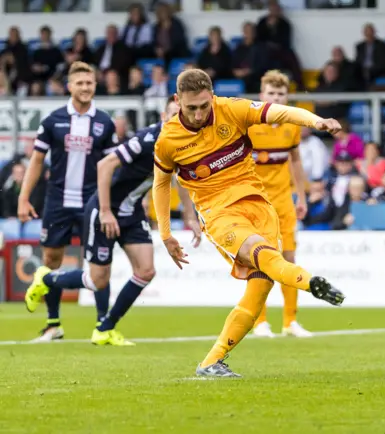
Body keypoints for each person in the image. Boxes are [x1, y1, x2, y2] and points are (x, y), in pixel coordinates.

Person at [152, 69, 345, 377]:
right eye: (192, 108)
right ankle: (310, 282)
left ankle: (210, 362)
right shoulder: (168, 140)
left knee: (259, 287)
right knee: (262, 254)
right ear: (177, 101)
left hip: (260, 207)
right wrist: (165, 234)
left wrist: (316, 122)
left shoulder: (231, 109)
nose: (200, 113)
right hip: (220, 214)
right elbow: (161, 185)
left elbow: (278, 111)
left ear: (212, 96)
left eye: (205, 105)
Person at [23, 97, 201, 345]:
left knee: (146, 271)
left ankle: (105, 328)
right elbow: (105, 165)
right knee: (98, 280)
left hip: (131, 212)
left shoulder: (185, 144)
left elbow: (181, 178)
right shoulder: (148, 139)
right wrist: (105, 211)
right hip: (105, 208)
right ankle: (46, 278)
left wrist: (190, 216)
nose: (177, 119)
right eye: (172, 114)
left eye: (180, 115)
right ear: (163, 117)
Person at [19, 62, 117, 342]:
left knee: (99, 260)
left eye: (90, 83)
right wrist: (24, 198)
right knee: (51, 260)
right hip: (58, 201)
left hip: (93, 201)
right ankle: (53, 325)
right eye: (80, 83)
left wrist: (112, 203)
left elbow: (113, 166)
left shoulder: (105, 122)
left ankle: (103, 325)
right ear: (69, 86)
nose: (85, 88)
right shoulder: (53, 120)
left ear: (95, 86)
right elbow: (36, 161)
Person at [248, 71, 312, 339]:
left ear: (286, 97)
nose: (275, 98)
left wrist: (302, 196)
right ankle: (259, 322)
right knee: (260, 261)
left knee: (289, 257)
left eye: (280, 94)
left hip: (284, 201)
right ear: (262, 96)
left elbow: (295, 161)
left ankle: (290, 321)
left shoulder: (292, 125)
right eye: (271, 94)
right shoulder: (249, 124)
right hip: (256, 202)